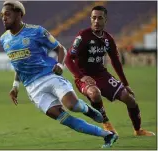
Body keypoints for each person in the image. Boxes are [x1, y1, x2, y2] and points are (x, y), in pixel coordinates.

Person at [0, 1, 118, 148]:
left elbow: (60, 48)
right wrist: (15, 86)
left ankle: (87, 109)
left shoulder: (36, 31)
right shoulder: (4, 39)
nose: (3, 18)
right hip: (32, 88)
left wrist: (60, 65)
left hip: (49, 76)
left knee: (72, 105)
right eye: (2, 15)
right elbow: (18, 65)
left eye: (7, 14)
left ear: (19, 14)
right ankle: (108, 135)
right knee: (65, 119)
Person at [65, 6, 155, 136]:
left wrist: (126, 84)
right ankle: (106, 123)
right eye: (93, 18)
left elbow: (116, 62)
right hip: (84, 77)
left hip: (102, 75)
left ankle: (138, 130)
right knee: (95, 93)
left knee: (129, 99)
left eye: (100, 18)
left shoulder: (108, 39)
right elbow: (68, 59)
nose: (96, 21)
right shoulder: (83, 36)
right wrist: (81, 76)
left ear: (105, 20)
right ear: (90, 19)